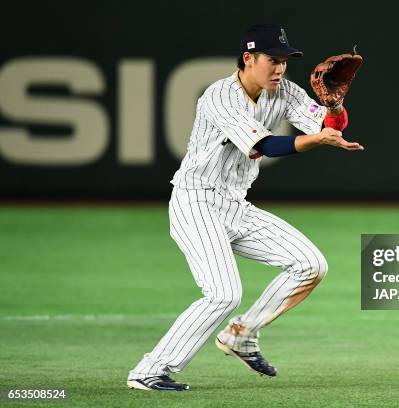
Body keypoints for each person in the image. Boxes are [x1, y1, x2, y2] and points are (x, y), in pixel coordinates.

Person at [127, 23, 363, 391]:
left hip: (235, 204)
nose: (280, 68)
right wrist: (316, 139)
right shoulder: (220, 96)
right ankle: (149, 370)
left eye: (285, 61)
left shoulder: (283, 91)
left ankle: (241, 333)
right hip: (196, 200)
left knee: (310, 264)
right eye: (273, 60)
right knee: (223, 293)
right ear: (249, 58)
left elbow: (327, 126)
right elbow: (265, 146)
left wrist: (334, 106)